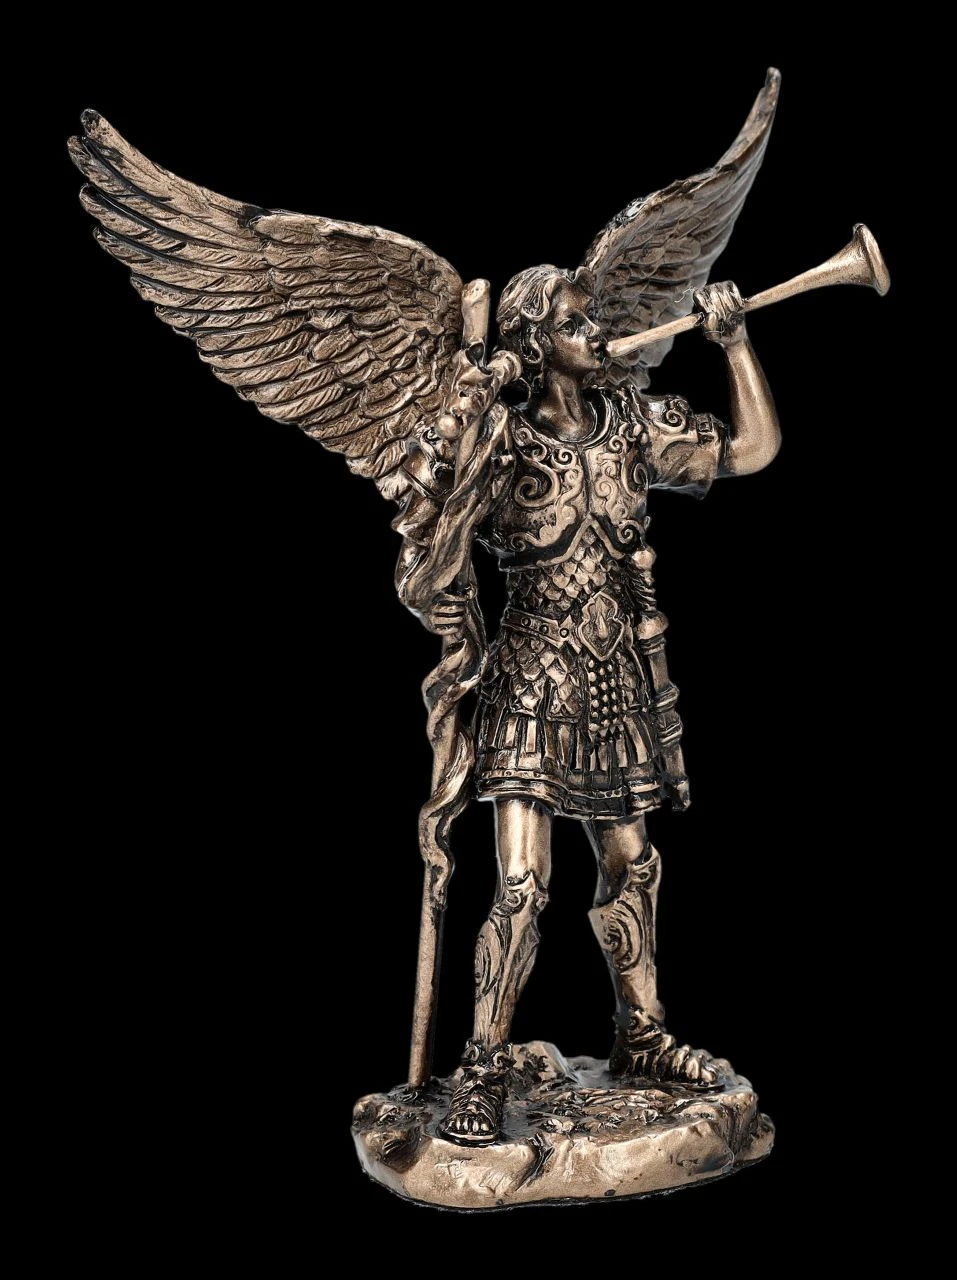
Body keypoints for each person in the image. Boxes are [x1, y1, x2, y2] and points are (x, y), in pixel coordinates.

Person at [400, 263, 780, 1146]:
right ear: (535, 344)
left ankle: (640, 1035)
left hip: (617, 677)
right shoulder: (503, 444)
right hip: (531, 676)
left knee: (633, 865)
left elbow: (750, 449)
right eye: (575, 323)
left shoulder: (631, 426)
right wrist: (461, 432)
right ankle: (483, 1064)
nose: (597, 333)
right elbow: (427, 545)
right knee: (522, 883)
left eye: (594, 319)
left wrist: (734, 344)